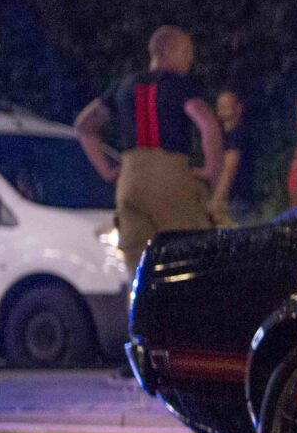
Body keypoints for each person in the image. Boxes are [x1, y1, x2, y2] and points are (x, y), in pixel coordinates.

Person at [74, 26, 223, 269]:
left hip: (130, 180)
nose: (189, 59)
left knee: (138, 263)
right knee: (190, 254)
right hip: (170, 175)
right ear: (166, 51)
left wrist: (107, 171)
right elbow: (207, 123)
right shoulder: (180, 85)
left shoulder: (124, 87)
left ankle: (143, 305)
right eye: (185, 52)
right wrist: (211, 171)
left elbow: (84, 126)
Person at [208, 88, 256, 225]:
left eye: (227, 105)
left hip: (236, 204)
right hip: (234, 202)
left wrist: (216, 202)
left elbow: (229, 169)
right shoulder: (224, 137)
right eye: (220, 106)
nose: (223, 110)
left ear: (238, 107)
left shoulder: (237, 135)